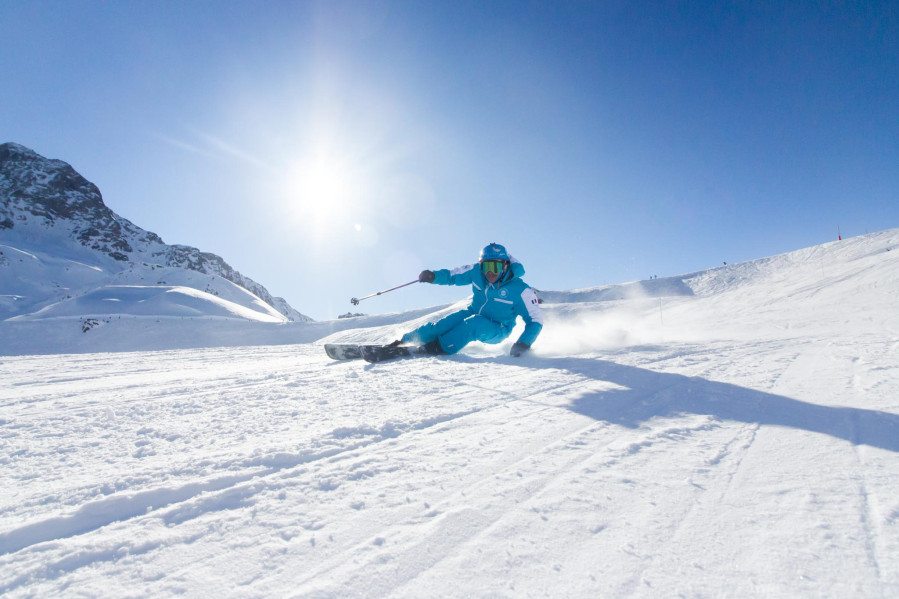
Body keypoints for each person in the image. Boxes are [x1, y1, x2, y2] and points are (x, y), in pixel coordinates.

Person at [393, 243, 543, 357]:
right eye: (486, 267)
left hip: (499, 328)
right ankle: (403, 341)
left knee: (473, 324)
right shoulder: (476, 272)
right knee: (442, 325)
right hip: (473, 312)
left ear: (505, 266)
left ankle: (436, 348)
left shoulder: (521, 290)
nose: (490, 272)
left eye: (495, 267)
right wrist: (433, 276)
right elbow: (454, 275)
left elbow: (535, 320)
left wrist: (524, 342)